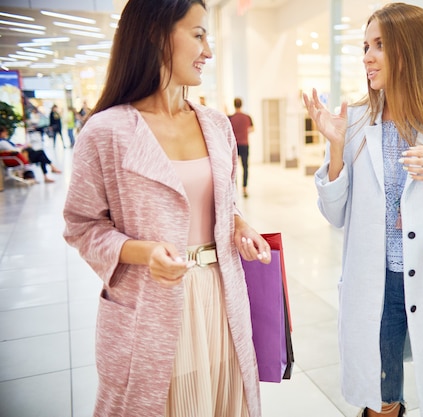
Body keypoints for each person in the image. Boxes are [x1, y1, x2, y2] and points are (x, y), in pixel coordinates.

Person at [62, 1, 270, 416]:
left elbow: (221, 204)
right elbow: (81, 226)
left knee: (224, 402)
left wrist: (240, 225)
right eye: (198, 35)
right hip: (150, 306)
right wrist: (144, 252)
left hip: (221, 296)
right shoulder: (106, 131)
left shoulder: (215, 125)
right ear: (157, 36)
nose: (208, 51)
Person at [303, 3, 423, 417]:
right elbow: (335, 215)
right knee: (381, 397)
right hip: (376, 282)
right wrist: (336, 151)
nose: (366, 57)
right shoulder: (354, 118)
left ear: (410, 51)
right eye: (364, 46)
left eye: (379, 46)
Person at [228, 97, 254, 197]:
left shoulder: (231, 118)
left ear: (234, 105)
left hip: (234, 146)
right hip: (245, 144)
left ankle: (235, 188)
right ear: (241, 104)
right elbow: (252, 129)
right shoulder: (247, 117)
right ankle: (244, 188)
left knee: (234, 168)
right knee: (245, 167)